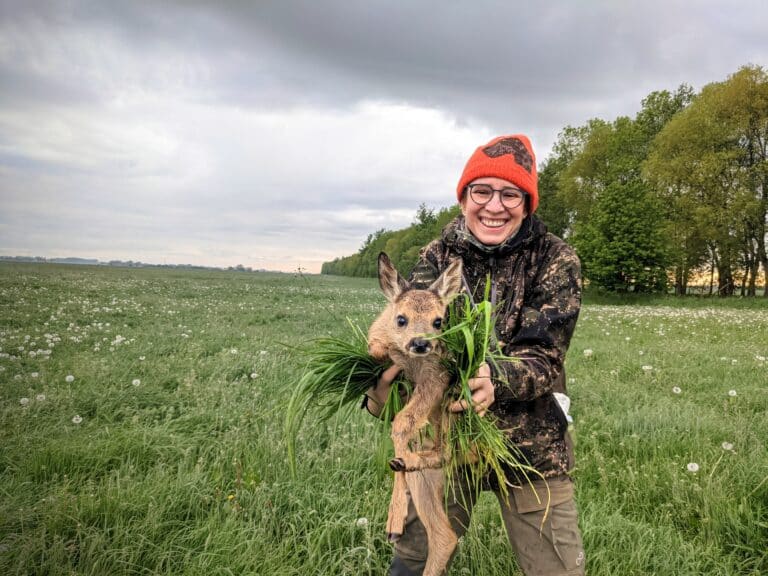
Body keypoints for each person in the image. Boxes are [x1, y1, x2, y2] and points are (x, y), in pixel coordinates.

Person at [364, 134, 586, 576]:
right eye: (482, 191)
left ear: (527, 202)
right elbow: (407, 328)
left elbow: (544, 355)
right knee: (415, 557)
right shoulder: (438, 255)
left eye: (510, 194)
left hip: (529, 444)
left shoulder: (556, 259)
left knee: (557, 569)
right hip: (444, 432)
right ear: (464, 197)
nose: (494, 206)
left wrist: (494, 380)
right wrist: (380, 377)